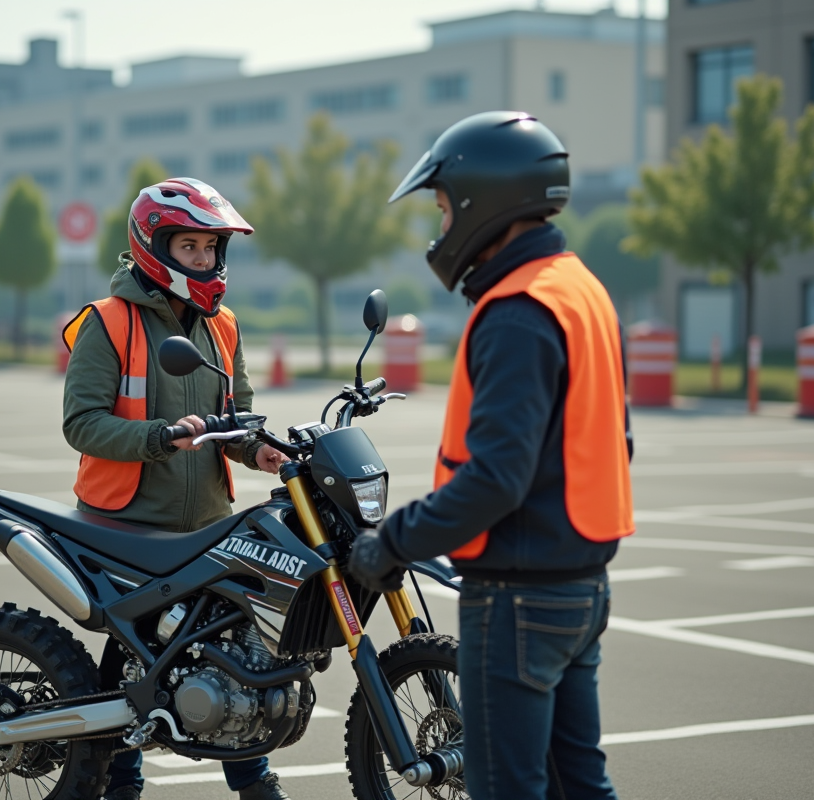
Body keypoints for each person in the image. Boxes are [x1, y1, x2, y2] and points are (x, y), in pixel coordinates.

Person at [348, 112, 634, 800]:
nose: (441, 229)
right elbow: (613, 439)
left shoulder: (515, 311)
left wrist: (391, 542)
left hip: (518, 594)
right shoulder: (580, 289)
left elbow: (497, 478)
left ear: (484, 204)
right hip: (581, 583)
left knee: (507, 786)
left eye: (444, 209)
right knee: (579, 784)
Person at [61, 177, 290, 800]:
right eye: (189, 247)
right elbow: (80, 424)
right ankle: (121, 784)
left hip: (208, 525)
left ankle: (254, 780)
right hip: (126, 523)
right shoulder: (108, 323)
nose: (203, 260)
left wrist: (259, 450)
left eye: (211, 248)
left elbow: (234, 418)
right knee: (131, 661)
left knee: (231, 655)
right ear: (154, 246)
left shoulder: (225, 327)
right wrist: (161, 438)